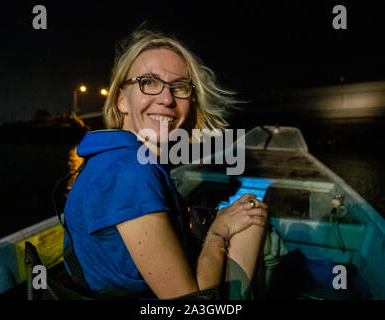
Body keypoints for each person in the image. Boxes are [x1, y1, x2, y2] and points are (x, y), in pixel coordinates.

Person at [63, 29, 268, 300]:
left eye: (180, 87)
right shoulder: (129, 172)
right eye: (148, 82)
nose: (167, 99)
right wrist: (220, 229)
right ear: (121, 101)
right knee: (252, 220)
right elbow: (190, 304)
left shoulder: (114, 157)